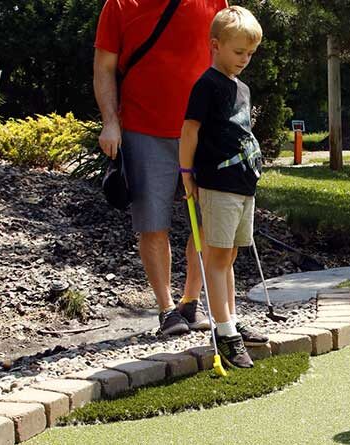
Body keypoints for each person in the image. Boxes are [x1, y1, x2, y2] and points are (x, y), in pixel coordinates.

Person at [93, 0, 227, 335]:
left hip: (202, 130)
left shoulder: (213, 2)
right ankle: (167, 310)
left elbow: (226, 58)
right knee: (152, 223)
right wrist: (110, 122)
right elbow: (104, 67)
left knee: (208, 221)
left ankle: (191, 303)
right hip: (143, 129)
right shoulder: (120, 5)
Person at [179, 5, 269, 368]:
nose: (245, 59)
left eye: (250, 54)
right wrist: (186, 171)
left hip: (242, 185)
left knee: (229, 256)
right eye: (238, 52)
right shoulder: (206, 85)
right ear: (215, 45)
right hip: (217, 184)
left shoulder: (241, 88)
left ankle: (230, 318)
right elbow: (190, 130)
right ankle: (225, 331)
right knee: (216, 257)